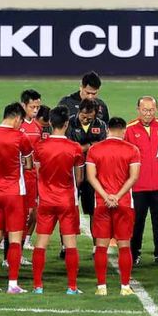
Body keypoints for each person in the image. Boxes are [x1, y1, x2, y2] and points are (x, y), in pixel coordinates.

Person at [32, 106, 85, 294]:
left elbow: (38, 172)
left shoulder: (40, 146)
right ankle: (72, 287)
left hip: (46, 200)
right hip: (66, 201)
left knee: (41, 242)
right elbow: (79, 179)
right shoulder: (75, 148)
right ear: (67, 124)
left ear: (51, 123)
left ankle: (38, 286)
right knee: (70, 244)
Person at [0, 103, 34, 294]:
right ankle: (12, 284)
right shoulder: (21, 136)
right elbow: (28, 165)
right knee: (14, 239)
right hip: (14, 193)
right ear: (18, 118)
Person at [86, 117, 141, 296]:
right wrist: (117, 196)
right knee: (124, 246)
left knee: (101, 246)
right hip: (124, 203)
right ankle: (125, 286)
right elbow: (133, 177)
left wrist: (106, 197)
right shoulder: (132, 150)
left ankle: (101, 286)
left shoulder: (95, 149)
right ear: (124, 131)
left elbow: (91, 177)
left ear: (107, 130)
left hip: (102, 204)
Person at [124, 96, 158, 265]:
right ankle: (134, 253)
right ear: (138, 110)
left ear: (156, 109)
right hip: (138, 186)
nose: (148, 114)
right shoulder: (128, 130)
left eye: (151, 110)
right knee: (136, 222)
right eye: (144, 110)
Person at [66, 99, 107, 253]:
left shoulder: (101, 125)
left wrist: (82, 148)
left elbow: (103, 149)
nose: (86, 119)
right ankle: (66, 246)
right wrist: (89, 146)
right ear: (79, 111)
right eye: (83, 116)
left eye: (90, 117)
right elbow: (69, 149)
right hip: (72, 173)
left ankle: (97, 247)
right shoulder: (70, 123)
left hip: (93, 175)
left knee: (94, 212)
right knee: (69, 211)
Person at [19, 89, 43, 253]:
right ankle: (11, 248)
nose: (35, 110)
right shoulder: (17, 124)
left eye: (37, 107)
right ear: (23, 105)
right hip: (20, 176)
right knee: (22, 213)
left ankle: (24, 241)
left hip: (34, 175)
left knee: (33, 212)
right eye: (32, 107)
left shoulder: (37, 126)